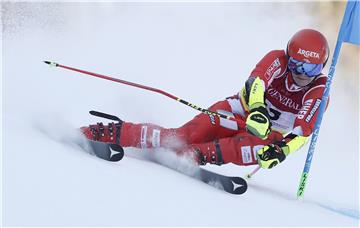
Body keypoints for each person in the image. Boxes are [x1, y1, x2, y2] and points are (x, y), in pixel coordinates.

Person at [81, 28, 330, 169]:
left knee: (250, 149)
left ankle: (193, 156)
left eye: (310, 69)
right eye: (297, 65)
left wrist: (283, 150)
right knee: (181, 136)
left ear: (322, 67)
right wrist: (257, 109)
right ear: (288, 57)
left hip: (268, 134)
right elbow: (256, 83)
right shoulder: (277, 59)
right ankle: (106, 132)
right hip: (239, 112)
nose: (301, 74)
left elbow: (303, 131)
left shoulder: (320, 89)